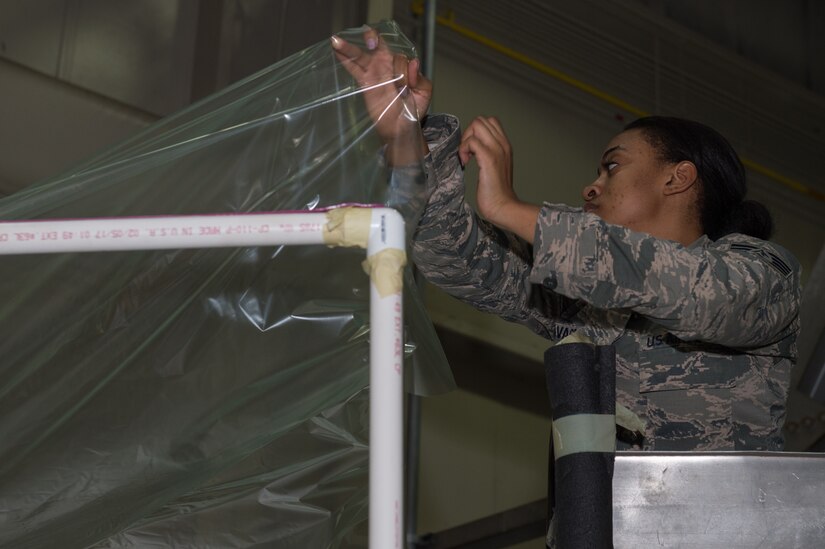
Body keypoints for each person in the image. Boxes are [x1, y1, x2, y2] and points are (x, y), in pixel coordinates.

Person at [332, 28, 800, 451]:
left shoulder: (761, 271)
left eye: (612, 167)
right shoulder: (586, 303)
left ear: (677, 178)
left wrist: (510, 209)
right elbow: (456, 255)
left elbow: (702, 296)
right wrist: (406, 138)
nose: (590, 187)